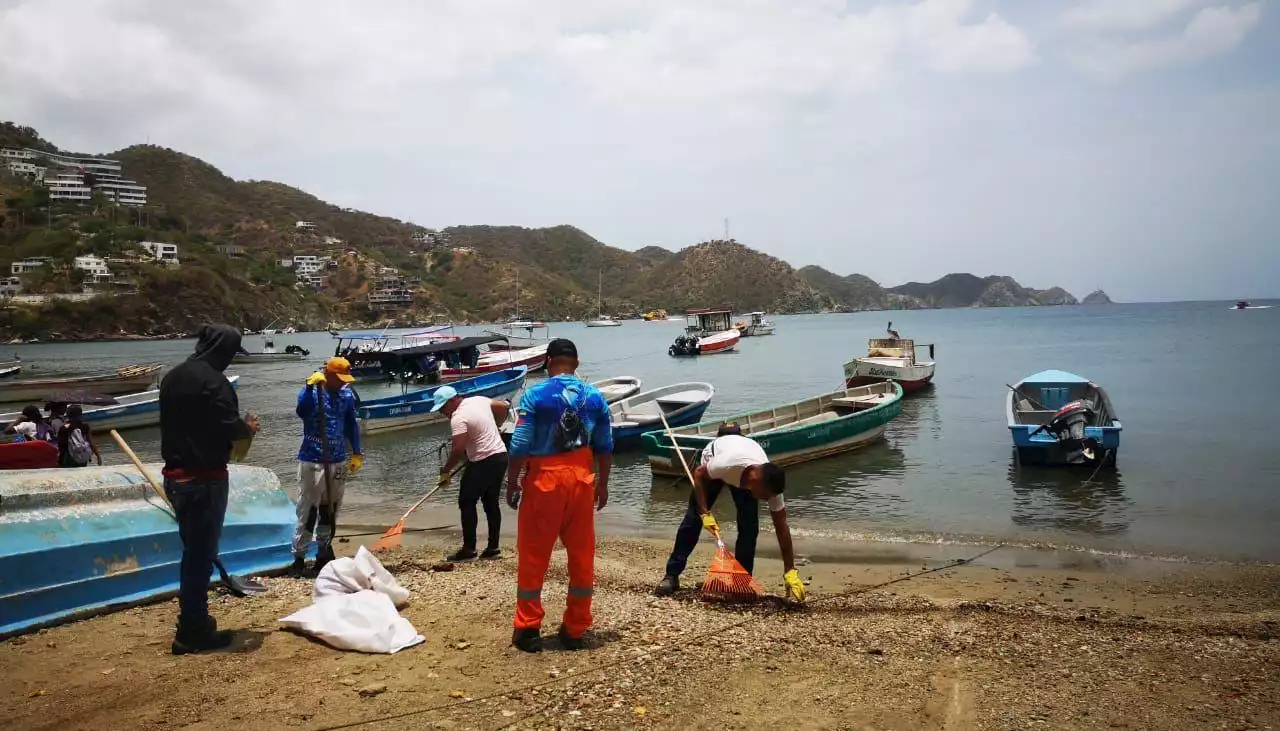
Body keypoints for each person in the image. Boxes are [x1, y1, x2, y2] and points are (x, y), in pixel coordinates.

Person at [506, 338, 612, 653]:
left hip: (545, 482)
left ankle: (528, 629)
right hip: (582, 481)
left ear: (548, 361)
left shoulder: (535, 394)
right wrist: (603, 484)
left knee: (534, 555)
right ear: (576, 363)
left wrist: (512, 482)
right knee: (581, 556)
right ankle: (575, 629)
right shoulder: (594, 396)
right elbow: (605, 446)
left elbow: (519, 444)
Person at [159, 324, 260, 655]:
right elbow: (228, 429)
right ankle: (193, 630)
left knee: (193, 553)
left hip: (176, 478)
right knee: (201, 556)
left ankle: (194, 621)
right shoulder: (215, 383)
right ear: (222, 349)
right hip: (205, 479)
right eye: (231, 353)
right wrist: (248, 428)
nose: (231, 360)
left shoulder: (171, 378)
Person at [653, 433, 806, 604]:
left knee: (749, 528)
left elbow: (781, 526)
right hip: (714, 458)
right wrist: (704, 512)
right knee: (693, 520)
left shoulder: (771, 487)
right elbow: (699, 473)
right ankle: (671, 575)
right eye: (763, 496)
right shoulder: (726, 464)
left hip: (745, 455)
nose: (764, 500)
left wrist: (790, 570)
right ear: (755, 481)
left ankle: (741, 583)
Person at [293, 357, 363, 575]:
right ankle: (299, 557)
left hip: (337, 459)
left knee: (330, 509)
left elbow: (351, 424)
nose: (343, 383)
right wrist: (308, 386)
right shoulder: (312, 394)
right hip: (313, 460)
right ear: (329, 374)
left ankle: (324, 551)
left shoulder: (346, 395)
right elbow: (301, 412)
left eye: (345, 379)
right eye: (339, 378)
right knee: (309, 510)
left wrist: (357, 453)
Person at [431, 385, 510, 562]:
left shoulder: (458, 417)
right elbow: (503, 406)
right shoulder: (478, 400)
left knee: (466, 501)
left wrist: (445, 471)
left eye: (443, 408)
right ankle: (493, 548)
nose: (443, 412)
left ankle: (469, 550)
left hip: (484, 461)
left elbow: (458, 449)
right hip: (500, 456)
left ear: (452, 400)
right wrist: (497, 425)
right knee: (491, 504)